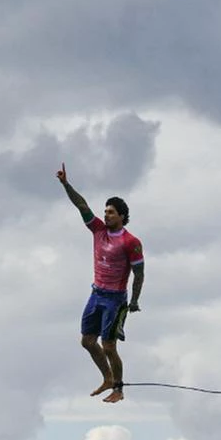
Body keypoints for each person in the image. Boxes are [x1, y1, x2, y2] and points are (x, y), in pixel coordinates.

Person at [56, 162, 144, 404]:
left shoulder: (131, 241)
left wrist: (134, 301)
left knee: (108, 346)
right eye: (105, 211)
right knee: (87, 341)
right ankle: (107, 378)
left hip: (116, 300)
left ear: (122, 217)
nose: (106, 215)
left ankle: (118, 388)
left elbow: (139, 273)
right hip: (96, 294)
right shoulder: (98, 230)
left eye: (111, 212)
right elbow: (81, 205)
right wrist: (66, 184)